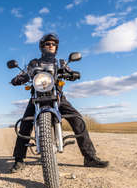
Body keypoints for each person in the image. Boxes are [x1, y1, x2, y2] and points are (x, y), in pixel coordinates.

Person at [9, 33, 109, 173]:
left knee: (78, 120)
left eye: (53, 44)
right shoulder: (33, 63)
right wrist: (18, 79)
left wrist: (73, 73)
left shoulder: (61, 63)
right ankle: (19, 160)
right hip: (36, 97)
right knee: (25, 125)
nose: (50, 46)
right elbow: (24, 73)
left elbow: (68, 70)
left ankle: (90, 157)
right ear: (42, 47)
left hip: (58, 96)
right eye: (47, 44)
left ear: (56, 47)